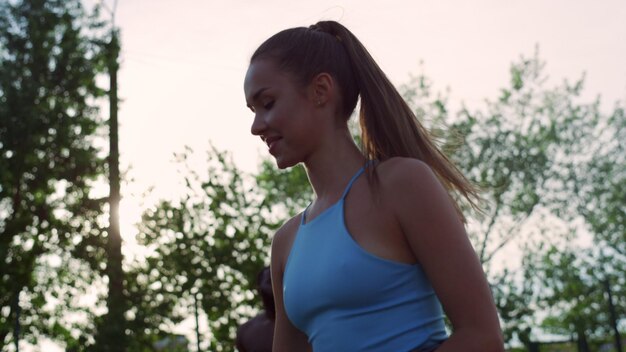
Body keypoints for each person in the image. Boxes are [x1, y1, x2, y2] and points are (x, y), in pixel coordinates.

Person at [243, 20, 504, 352]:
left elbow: (483, 338)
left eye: (267, 104)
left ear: (321, 91)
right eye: (252, 111)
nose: (255, 127)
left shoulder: (403, 184)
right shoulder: (285, 242)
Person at [236, 267, 275, 352]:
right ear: (258, 289)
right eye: (270, 282)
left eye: (279, 281)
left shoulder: (301, 323)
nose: (275, 286)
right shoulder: (246, 331)